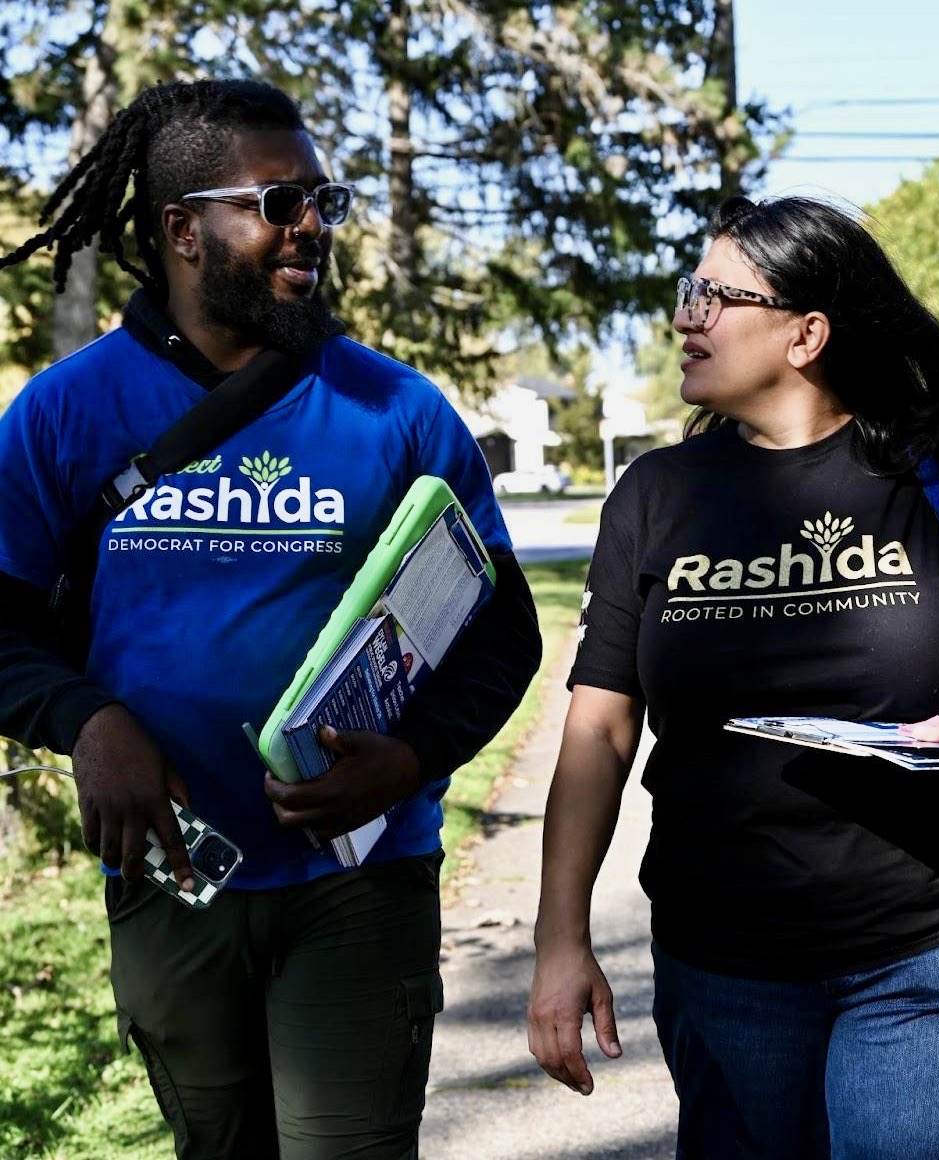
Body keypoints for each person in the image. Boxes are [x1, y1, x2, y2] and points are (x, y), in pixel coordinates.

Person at [0, 79, 541, 1160]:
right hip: (173, 875)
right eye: (279, 200)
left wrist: (415, 756)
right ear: (181, 228)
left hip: (360, 881)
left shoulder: (396, 408)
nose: (313, 227)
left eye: (322, 200)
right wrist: (88, 722)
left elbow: (502, 630)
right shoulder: (65, 409)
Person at [526, 195, 939, 1160]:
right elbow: (599, 733)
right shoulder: (655, 497)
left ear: (807, 333)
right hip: (720, 961)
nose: (685, 317)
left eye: (712, 295)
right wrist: (560, 941)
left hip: (925, 955)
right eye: (687, 293)